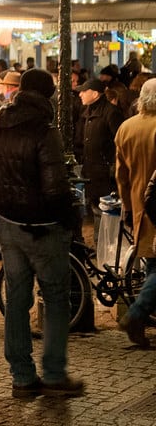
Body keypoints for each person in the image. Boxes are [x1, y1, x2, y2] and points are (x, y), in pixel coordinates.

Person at [0, 68, 84, 399]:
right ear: (48, 95)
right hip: (43, 229)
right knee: (55, 298)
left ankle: (21, 376)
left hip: (9, 225)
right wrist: (69, 217)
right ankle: (53, 373)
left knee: (17, 299)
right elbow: (55, 189)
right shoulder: (44, 130)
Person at [113, 77, 156, 348]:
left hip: (139, 204)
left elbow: (121, 175)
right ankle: (137, 313)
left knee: (153, 262)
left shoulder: (126, 128)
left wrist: (127, 206)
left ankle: (141, 316)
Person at [73, 78, 124, 228]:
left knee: (105, 214)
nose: (80, 94)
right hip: (91, 172)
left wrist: (112, 166)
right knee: (96, 211)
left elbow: (120, 142)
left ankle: (104, 246)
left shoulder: (111, 112)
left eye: (84, 91)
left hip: (105, 175)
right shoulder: (87, 112)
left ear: (95, 93)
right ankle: (98, 245)